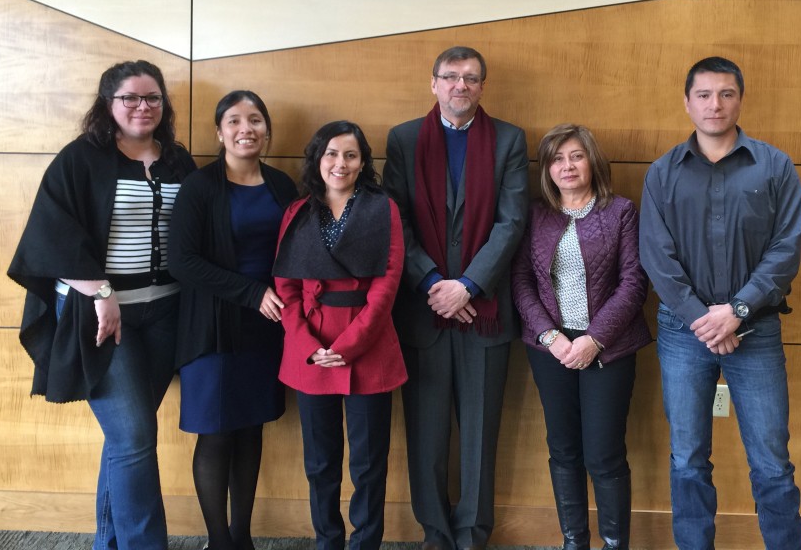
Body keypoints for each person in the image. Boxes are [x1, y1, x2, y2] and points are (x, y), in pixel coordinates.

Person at [8, 59, 196, 550]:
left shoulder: (178, 160)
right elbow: (50, 238)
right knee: (135, 438)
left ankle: (107, 543)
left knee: (125, 442)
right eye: (130, 98)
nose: (142, 106)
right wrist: (102, 293)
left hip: (165, 314)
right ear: (107, 104)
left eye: (152, 97)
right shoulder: (81, 159)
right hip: (103, 317)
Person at [639, 56, 801, 550]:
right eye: (705, 95)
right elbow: (657, 256)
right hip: (681, 332)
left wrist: (735, 311)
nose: (716, 104)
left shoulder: (775, 166)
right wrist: (703, 319)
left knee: (772, 462)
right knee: (688, 459)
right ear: (687, 102)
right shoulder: (663, 173)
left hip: (755, 331)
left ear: (740, 99)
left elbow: (786, 248)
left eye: (726, 94)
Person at [383, 46, 529, 550]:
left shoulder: (509, 139)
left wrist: (467, 285)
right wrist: (431, 284)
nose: (460, 86)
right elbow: (394, 220)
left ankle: (471, 534)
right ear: (434, 84)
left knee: (479, 435)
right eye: (451, 77)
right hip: (422, 310)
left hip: (483, 311)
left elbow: (512, 223)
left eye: (470, 78)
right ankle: (435, 534)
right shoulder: (403, 139)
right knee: (425, 435)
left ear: (482, 87)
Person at [169, 90, 298, 550]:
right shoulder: (200, 186)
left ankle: (242, 538)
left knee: (250, 429)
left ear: (267, 129)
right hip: (214, 326)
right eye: (235, 121)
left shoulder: (283, 185)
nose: (247, 129)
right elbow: (182, 261)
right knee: (217, 433)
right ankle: (219, 542)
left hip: (267, 329)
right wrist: (251, 292)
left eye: (256, 120)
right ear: (219, 131)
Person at [511, 123, 651, 550]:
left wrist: (594, 339)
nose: (566, 166)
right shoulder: (535, 213)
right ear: (546, 169)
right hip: (550, 348)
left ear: (592, 160)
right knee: (563, 449)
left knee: (604, 454)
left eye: (575, 156)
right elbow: (520, 281)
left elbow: (634, 283)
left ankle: (614, 545)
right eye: (556, 158)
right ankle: (574, 541)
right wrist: (551, 336)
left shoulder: (620, 211)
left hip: (608, 348)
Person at [273, 120, 407, 550]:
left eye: (350, 154)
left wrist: (348, 346)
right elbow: (285, 287)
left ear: (363, 161)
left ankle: (365, 544)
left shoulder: (382, 208)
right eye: (331, 153)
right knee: (320, 462)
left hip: (368, 347)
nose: (340, 163)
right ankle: (327, 542)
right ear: (318, 158)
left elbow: (388, 283)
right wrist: (310, 346)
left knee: (369, 464)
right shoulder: (297, 212)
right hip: (310, 351)